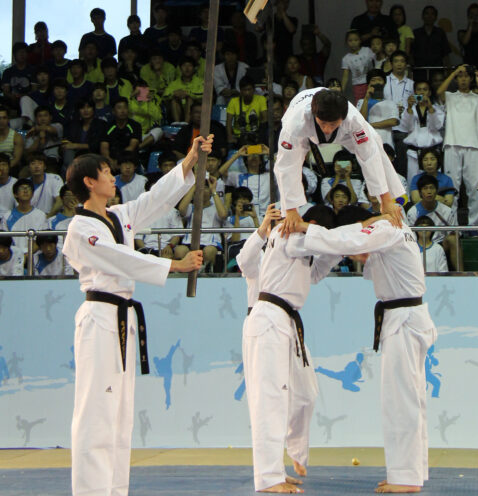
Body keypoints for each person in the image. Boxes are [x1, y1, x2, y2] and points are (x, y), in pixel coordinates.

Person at [62, 136, 209, 496]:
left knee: (121, 412)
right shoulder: (80, 229)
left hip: (123, 319)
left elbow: (154, 200)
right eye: (107, 172)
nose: (113, 177)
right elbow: (120, 259)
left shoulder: (118, 216)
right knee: (96, 410)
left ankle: (114, 489)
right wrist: (174, 264)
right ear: (89, 183)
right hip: (99, 316)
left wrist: (189, 161)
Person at [297, 205, 437, 494]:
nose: (356, 258)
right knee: (412, 398)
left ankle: (406, 477)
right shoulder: (394, 229)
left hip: (404, 320)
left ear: (362, 226)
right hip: (407, 317)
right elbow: (358, 248)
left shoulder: (385, 229)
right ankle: (412, 471)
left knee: (400, 400)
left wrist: (305, 229)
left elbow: (350, 241)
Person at [242, 204, 339, 493]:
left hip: (288, 323)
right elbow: (323, 241)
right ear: (308, 224)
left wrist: (339, 242)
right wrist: (319, 232)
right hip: (268, 318)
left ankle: (293, 455)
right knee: (269, 400)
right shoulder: (287, 235)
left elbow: (323, 264)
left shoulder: (305, 252)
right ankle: (269, 477)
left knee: (306, 393)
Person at [274, 87, 405, 235]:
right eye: (323, 124)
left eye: (332, 124)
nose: (327, 130)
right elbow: (286, 166)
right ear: (314, 115)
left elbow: (369, 156)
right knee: (289, 160)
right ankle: (290, 208)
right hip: (304, 126)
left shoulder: (353, 118)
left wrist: (385, 199)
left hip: (343, 131)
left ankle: (388, 200)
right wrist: (291, 210)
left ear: (343, 118)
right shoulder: (296, 123)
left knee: (374, 141)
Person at [437, 64, 478, 226]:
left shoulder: (477, 97)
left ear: (471, 78)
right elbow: (439, 92)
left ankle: (474, 227)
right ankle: (451, 226)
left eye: (466, 76)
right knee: (452, 187)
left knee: (474, 188)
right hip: (452, 144)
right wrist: (453, 72)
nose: (463, 79)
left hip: (473, 145)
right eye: (460, 76)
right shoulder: (450, 96)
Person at [340, 29, 375, 102]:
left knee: (373, 102)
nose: (353, 43)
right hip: (358, 85)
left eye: (356, 40)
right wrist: (341, 90)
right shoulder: (346, 58)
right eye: (350, 40)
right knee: (360, 103)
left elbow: (376, 62)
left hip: (371, 82)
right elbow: (345, 76)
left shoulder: (367, 50)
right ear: (347, 42)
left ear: (360, 40)